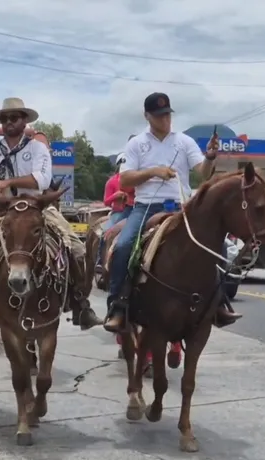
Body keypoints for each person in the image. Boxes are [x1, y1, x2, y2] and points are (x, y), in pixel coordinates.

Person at [0, 97, 103, 332]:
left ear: (24, 121)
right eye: (4, 119)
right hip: (0, 211)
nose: (8, 122)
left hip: (36, 208)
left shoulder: (37, 149)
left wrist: (8, 181)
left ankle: (81, 303)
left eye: (14, 117)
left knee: (76, 247)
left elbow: (42, 179)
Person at [103, 92, 241, 332]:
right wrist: (153, 171)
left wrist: (210, 156)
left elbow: (203, 173)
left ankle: (219, 302)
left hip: (181, 206)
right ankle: (117, 305)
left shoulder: (184, 142)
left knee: (216, 246)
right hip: (145, 207)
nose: (165, 119)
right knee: (124, 245)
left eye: (167, 114)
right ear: (147, 116)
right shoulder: (136, 144)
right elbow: (125, 178)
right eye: (159, 116)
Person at [96, 151, 135, 269]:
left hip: (135, 209)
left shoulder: (136, 179)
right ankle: (99, 260)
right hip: (119, 212)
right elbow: (106, 202)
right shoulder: (112, 182)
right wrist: (116, 196)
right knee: (106, 232)